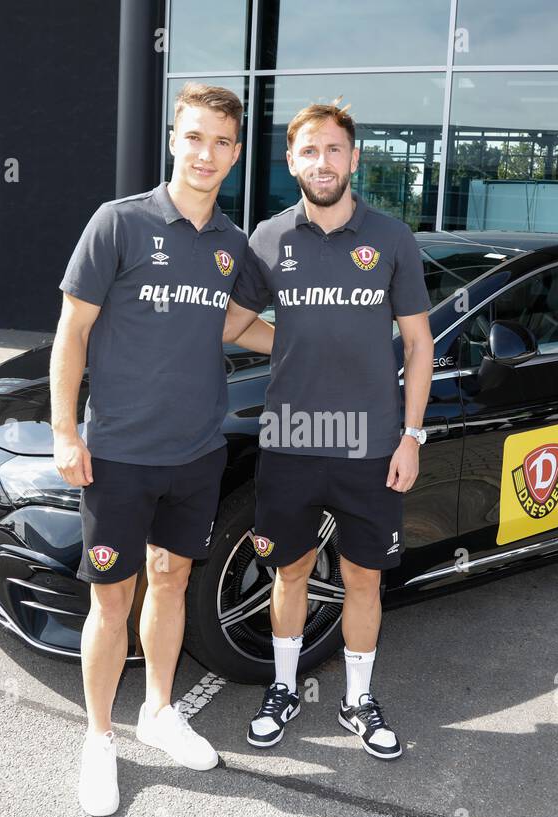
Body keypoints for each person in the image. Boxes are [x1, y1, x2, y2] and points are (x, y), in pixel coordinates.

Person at [52, 83, 273, 816]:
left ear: (236, 154)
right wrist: (64, 431)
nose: (206, 154)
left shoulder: (232, 246)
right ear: (174, 140)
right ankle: (99, 738)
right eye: (195, 138)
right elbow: (72, 333)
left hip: (197, 454)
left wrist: (319, 344)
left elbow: (233, 329)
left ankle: (158, 710)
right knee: (110, 603)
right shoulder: (118, 224)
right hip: (117, 455)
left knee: (171, 581)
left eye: (221, 142)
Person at [225, 99, 433, 759]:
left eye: (334, 149)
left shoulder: (393, 238)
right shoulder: (268, 238)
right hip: (290, 440)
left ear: (353, 157)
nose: (322, 162)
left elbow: (420, 346)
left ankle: (357, 702)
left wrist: (411, 436)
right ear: (292, 162)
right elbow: (231, 323)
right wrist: (286, 340)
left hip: (371, 447)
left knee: (363, 579)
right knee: (290, 573)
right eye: (309, 151)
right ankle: (284, 689)